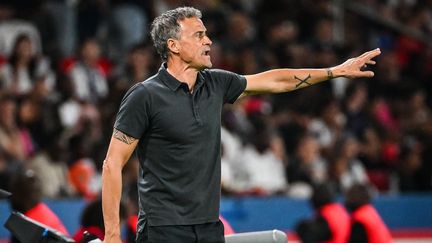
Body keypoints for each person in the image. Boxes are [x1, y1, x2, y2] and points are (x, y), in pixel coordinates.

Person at [101, 6, 381, 243]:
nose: (208, 41)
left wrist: (334, 71)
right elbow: (112, 164)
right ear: (173, 45)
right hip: (163, 229)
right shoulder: (144, 96)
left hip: (210, 226)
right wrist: (112, 236)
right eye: (199, 35)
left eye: (206, 34)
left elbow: (275, 80)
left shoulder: (217, 83)